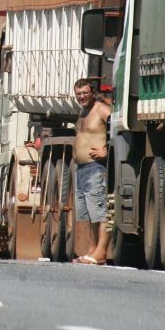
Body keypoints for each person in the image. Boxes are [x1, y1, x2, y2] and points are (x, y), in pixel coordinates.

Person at [72, 78, 110, 264]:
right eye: (79, 94)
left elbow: (119, 129)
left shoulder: (101, 109)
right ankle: (91, 250)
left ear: (92, 92)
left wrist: (107, 150)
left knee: (100, 213)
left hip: (95, 168)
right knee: (88, 215)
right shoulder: (83, 111)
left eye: (85, 93)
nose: (82, 97)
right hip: (81, 169)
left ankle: (101, 252)